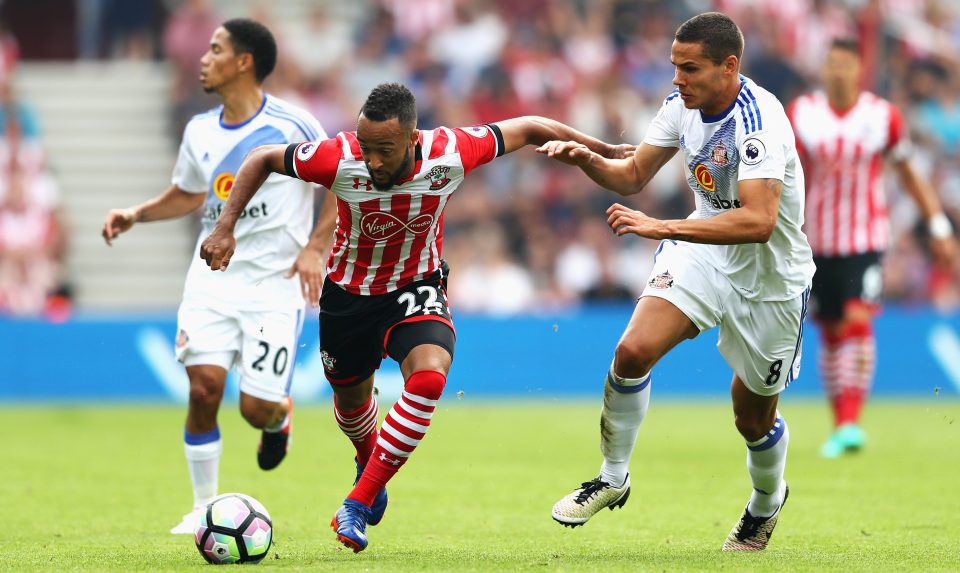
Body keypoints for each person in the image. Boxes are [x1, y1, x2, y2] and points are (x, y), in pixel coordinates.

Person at [199, 82, 633, 552]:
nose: (373, 161)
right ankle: (369, 461)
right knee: (350, 408)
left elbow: (529, 127)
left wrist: (602, 148)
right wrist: (226, 226)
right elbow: (262, 156)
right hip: (348, 296)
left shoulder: (450, 152)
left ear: (412, 138)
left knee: (428, 377)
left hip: (416, 287)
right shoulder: (339, 157)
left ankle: (358, 503)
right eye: (367, 148)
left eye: (384, 150)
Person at [538, 12, 815, 551]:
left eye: (689, 69)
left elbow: (759, 223)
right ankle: (612, 476)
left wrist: (659, 226)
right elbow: (634, 173)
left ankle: (765, 501)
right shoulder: (679, 107)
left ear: (728, 67)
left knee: (752, 416)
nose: (676, 79)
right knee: (632, 352)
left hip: (770, 278)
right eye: (674, 66)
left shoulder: (759, 124)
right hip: (701, 252)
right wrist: (585, 160)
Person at [101, 18, 334, 535]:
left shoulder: (295, 124)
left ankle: (279, 417)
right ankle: (202, 507)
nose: (203, 58)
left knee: (255, 409)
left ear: (244, 61)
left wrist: (316, 247)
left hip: (276, 284)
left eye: (215, 49)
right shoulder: (199, 129)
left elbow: (342, 177)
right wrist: (137, 213)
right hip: (212, 278)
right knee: (204, 389)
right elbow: (189, 193)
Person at [787, 38, 956, 459]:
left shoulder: (882, 117)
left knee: (857, 320)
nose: (839, 71)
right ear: (823, 68)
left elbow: (909, 173)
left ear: (859, 69)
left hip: (865, 238)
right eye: (832, 63)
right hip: (816, 239)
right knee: (830, 329)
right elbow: (786, 173)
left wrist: (937, 225)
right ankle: (839, 420)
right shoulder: (803, 114)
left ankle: (849, 422)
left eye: (846, 64)